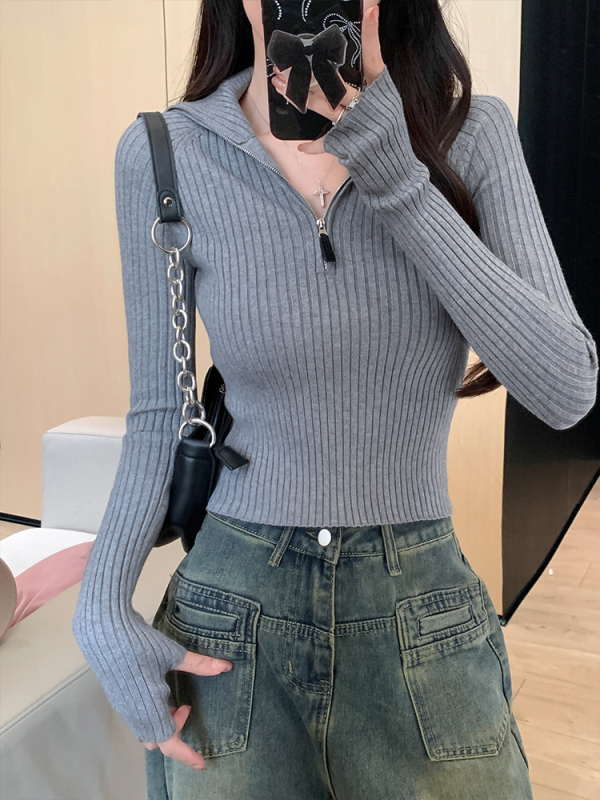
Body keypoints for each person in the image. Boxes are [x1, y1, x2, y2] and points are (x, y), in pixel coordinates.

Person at [72, 0, 599, 798]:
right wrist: (102, 606)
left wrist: (399, 178)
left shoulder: (470, 134)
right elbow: (158, 415)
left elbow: (565, 388)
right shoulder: (165, 154)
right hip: (231, 614)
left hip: (420, 611)